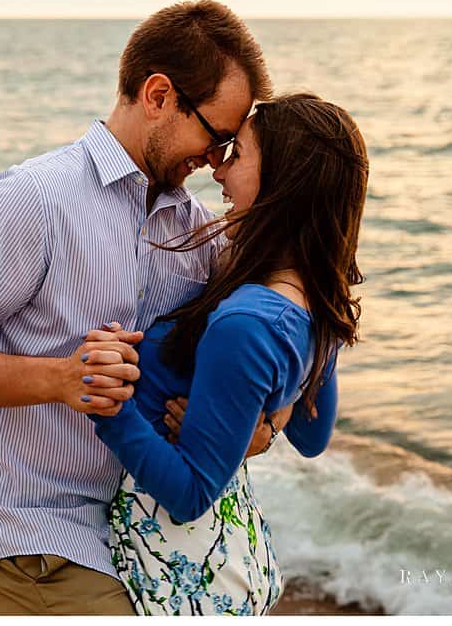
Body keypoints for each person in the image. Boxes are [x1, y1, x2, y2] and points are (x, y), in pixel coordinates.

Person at [0, 0, 285, 615]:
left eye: (230, 147)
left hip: (158, 542)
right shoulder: (32, 199)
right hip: (38, 533)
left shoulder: (195, 230)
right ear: (158, 95)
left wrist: (257, 429)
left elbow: (268, 361)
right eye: (214, 137)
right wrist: (59, 377)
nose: (216, 164)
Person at [84, 93, 370, 615]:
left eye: (236, 155)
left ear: (281, 183)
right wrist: (260, 423)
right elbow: (312, 434)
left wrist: (108, 404)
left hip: (176, 569)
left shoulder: (245, 323)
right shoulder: (316, 305)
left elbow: (191, 492)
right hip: (230, 561)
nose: (217, 170)